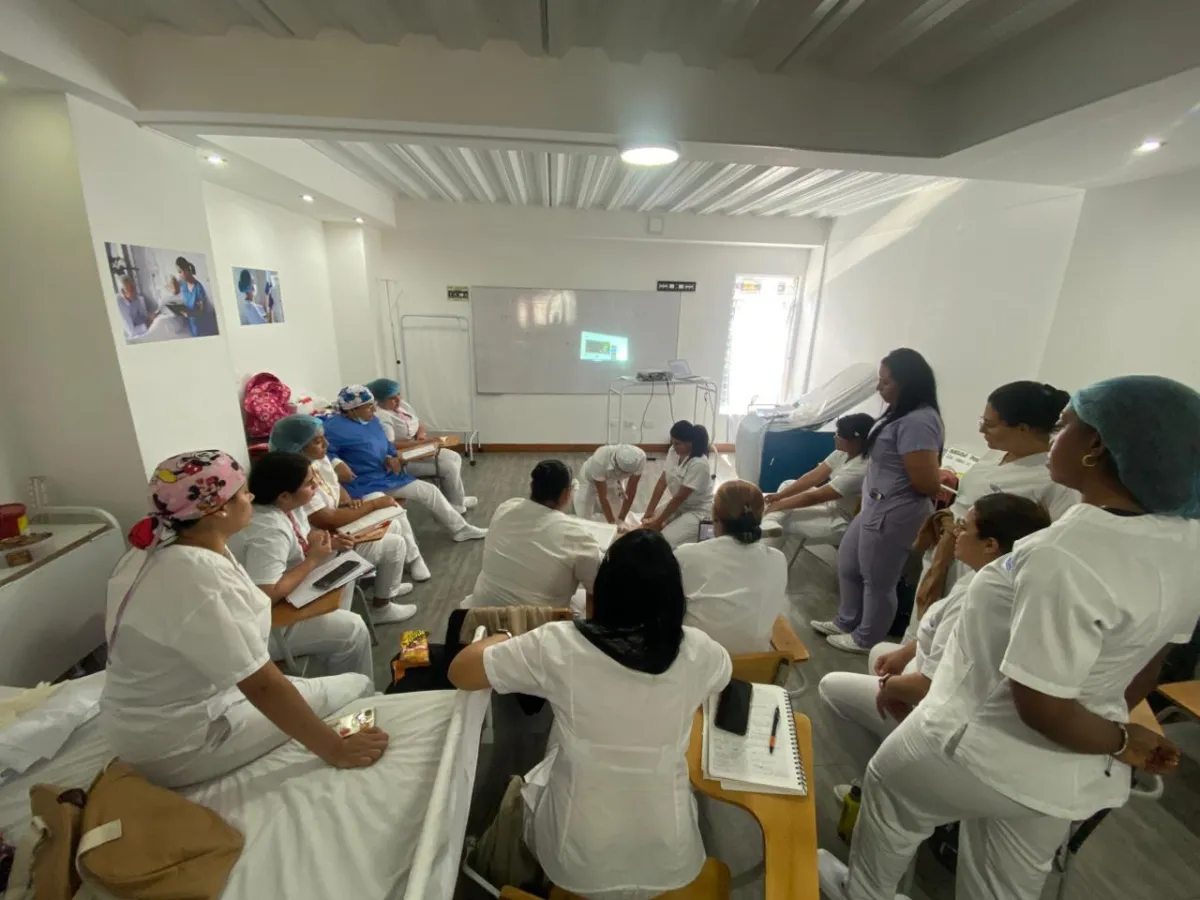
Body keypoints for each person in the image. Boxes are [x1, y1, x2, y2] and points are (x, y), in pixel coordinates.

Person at [819, 375, 1200, 900]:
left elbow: (1041, 705)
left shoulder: (1063, 552)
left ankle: (863, 893)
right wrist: (1105, 728)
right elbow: (1147, 661)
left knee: (889, 811)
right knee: (1002, 890)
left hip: (978, 746)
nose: (1053, 438)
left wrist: (1120, 739)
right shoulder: (1184, 542)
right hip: (1065, 771)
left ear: (1095, 448)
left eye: (1064, 427)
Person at [448, 530, 733, 899]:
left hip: (579, 856)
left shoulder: (559, 644)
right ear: (673, 597)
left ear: (604, 591)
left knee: (551, 755)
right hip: (669, 852)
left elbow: (461, 671)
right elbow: (725, 677)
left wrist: (502, 635)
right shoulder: (701, 651)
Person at [99, 450, 387, 789]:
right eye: (243, 493)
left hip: (169, 709)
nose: (251, 498)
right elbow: (261, 684)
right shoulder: (197, 576)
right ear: (219, 508)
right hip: (183, 742)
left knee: (323, 680)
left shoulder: (155, 550)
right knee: (357, 685)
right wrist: (336, 749)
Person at [817, 493, 1051, 770]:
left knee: (830, 687)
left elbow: (931, 685)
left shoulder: (981, 598)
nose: (954, 532)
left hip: (945, 704)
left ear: (990, 544)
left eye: (964, 527)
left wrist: (889, 687)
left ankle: (886, 769)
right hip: (935, 672)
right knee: (882, 652)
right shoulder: (984, 577)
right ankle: (891, 747)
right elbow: (940, 632)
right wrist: (906, 652)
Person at [812, 349, 944, 654]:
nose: (878, 389)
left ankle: (867, 638)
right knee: (848, 562)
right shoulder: (897, 414)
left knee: (878, 578)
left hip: (895, 511)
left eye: (885, 383)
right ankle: (847, 620)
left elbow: (927, 482)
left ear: (907, 383)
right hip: (874, 504)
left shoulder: (919, 422)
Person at [912, 380, 1078, 618]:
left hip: (985, 571)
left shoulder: (1053, 480)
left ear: (1022, 428)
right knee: (925, 621)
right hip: (947, 551)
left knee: (951, 631)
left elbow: (1051, 545)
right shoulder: (994, 455)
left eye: (990, 424)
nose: (982, 430)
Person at [226, 452, 397, 681]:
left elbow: (298, 545)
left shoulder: (289, 507)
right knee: (352, 629)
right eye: (309, 483)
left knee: (349, 562)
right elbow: (268, 593)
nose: (316, 485)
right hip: (265, 625)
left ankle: (341, 631)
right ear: (284, 495)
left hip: (289, 585)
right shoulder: (268, 531)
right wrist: (313, 559)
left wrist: (328, 545)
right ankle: (353, 696)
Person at [270, 413, 432, 584]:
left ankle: (409, 561)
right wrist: (373, 505)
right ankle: (393, 572)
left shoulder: (317, 457)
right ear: (299, 449)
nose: (327, 444)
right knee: (392, 523)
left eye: (324, 437)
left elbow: (333, 482)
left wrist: (345, 500)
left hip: (336, 519)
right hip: (328, 533)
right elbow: (328, 520)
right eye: (318, 442)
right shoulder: (295, 478)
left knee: (389, 510)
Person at [322, 385, 486, 542]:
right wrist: (337, 463)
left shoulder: (370, 421)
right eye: (368, 407)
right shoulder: (333, 428)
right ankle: (459, 530)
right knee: (427, 491)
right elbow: (319, 454)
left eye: (373, 405)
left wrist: (390, 456)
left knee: (430, 491)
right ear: (351, 410)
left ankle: (460, 529)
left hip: (385, 474)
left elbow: (385, 444)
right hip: (365, 482)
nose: (373, 409)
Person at [469, 460, 603, 609]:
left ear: (532, 487)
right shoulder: (576, 536)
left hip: (481, 613)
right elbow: (598, 586)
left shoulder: (506, 507)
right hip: (534, 624)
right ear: (566, 493)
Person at [676, 480, 787, 655]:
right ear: (760, 516)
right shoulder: (778, 559)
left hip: (698, 662)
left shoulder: (686, 555)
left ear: (714, 515)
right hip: (756, 667)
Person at [763, 413, 873, 551]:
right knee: (788, 484)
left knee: (783, 520)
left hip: (843, 519)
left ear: (855, 441)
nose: (835, 436)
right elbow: (814, 477)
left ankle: (768, 547)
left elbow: (815, 497)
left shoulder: (862, 468)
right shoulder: (843, 452)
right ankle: (771, 522)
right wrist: (780, 496)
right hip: (830, 504)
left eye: (839, 434)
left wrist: (779, 504)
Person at [366, 377, 477, 514]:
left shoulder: (403, 406)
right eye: (392, 398)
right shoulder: (382, 416)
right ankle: (456, 506)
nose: (398, 400)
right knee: (448, 467)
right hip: (402, 458)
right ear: (380, 400)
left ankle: (455, 500)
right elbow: (390, 444)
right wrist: (420, 443)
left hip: (417, 446)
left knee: (454, 457)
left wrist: (421, 436)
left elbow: (418, 424)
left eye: (398, 395)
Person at [642, 421, 714, 547]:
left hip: (698, 511)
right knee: (646, 526)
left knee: (664, 540)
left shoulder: (699, 464)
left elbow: (679, 498)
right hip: (679, 505)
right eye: (672, 442)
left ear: (690, 443)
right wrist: (649, 512)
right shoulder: (673, 452)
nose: (673, 446)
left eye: (677, 443)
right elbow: (661, 483)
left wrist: (658, 522)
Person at [574, 443, 647, 523]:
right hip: (589, 480)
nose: (624, 475)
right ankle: (574, 487)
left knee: (617, 515)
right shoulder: (600, 459)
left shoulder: (641, 458)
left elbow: (631, 490)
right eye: (622, 472)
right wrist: (612, 524)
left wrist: (621, 519)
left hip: (613, 480)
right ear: (615, 463)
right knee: (584, 519)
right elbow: (603, 498)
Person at [175, 255, 218, 337]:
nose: (179, 275)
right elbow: (173, 290)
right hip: (190, 323)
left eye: (180, 272)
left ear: (186, 270)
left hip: (200, 325)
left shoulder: (198, 288)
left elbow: (201, 311)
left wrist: (190, 314)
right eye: (178, 272)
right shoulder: (183, 284)